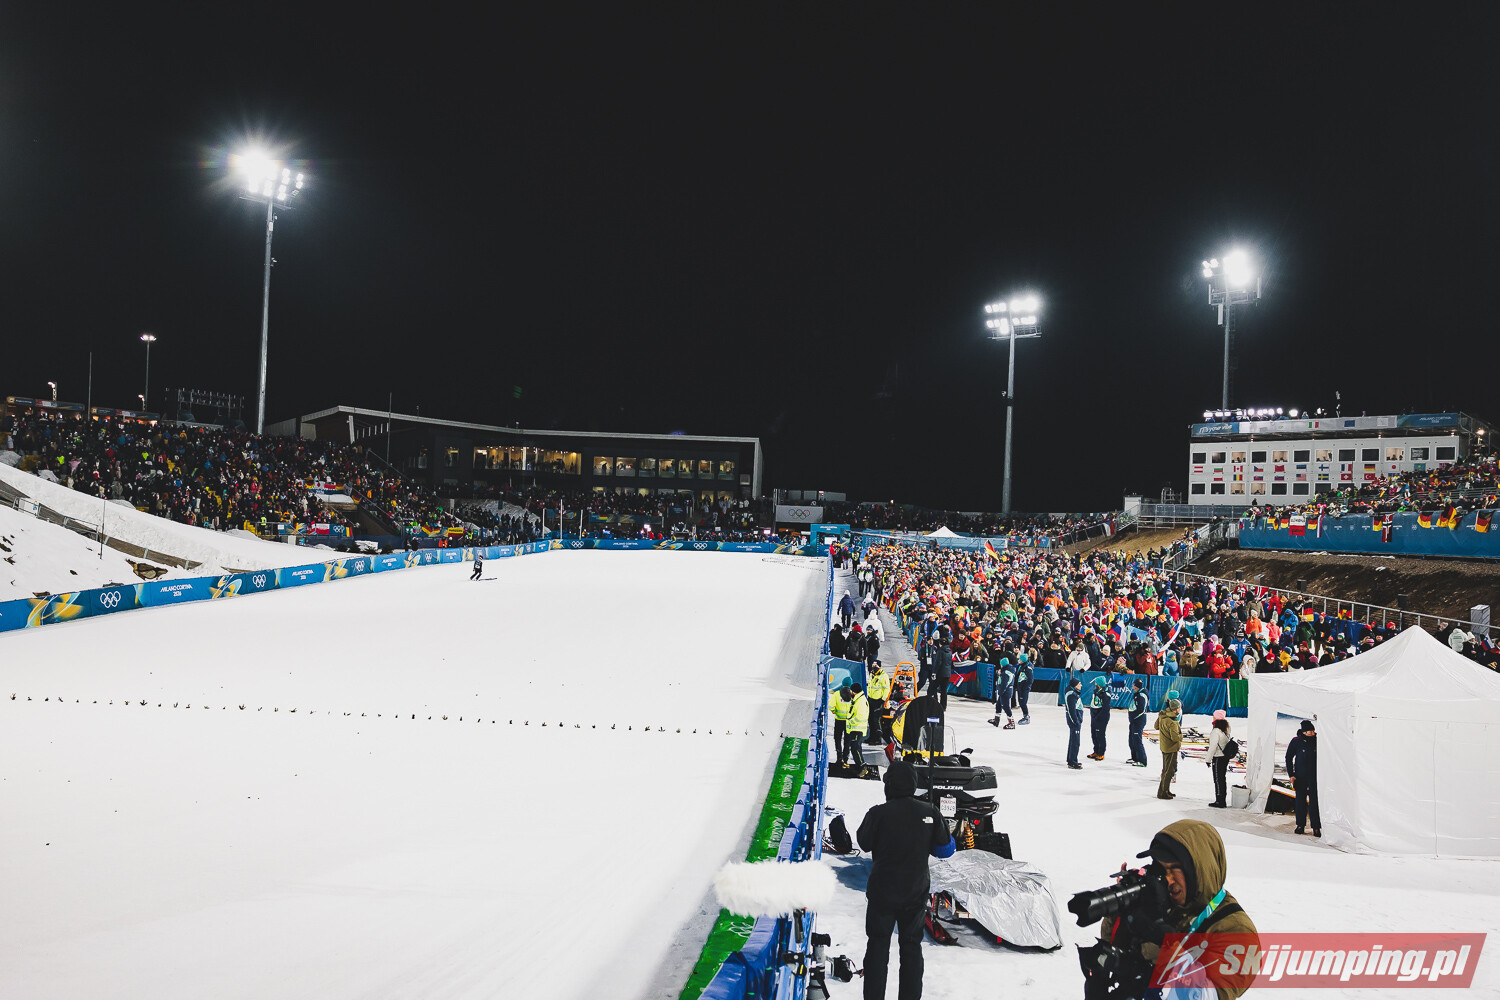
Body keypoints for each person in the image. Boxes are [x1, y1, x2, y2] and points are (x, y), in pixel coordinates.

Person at [1099, 820, 1259, 999]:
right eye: (1162, 869)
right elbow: (1116, 952)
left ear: (1199, 871)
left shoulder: (1238, 931)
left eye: (1175, 869)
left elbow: (1202, 996)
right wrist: (1123, 908)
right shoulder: (1165, 904)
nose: (1168, 879)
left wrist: (1162, 936)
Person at [856, 760, 955, 1000]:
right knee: (911, 948)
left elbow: (863, 842)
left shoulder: (878, 813)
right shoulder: (930, 812)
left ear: (889, 785)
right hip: (914, 893)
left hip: (882, 893)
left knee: (877, 947)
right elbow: (946, 850)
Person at [1285, 719, 1321, 836]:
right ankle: (1300, 825)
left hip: (1314, 776)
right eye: (1310, 731)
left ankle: (1316, 826)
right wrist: (1291, 775)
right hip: (1300, 776)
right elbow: (1288, 757)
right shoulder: (1296, 741)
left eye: (1313, 730)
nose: (1312, 733)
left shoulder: (1318, 740)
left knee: (1315, 801)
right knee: (1300, 801)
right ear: (1304, 732)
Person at [1155, 693, 1181, 799]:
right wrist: (1181, 736)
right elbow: (1175, 738)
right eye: (1179, 708)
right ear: (1175, 709)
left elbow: (1156, 726)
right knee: (1169, 771)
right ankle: (1163, 792)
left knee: (1165, 770)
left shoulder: (1163, 716)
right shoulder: (1172, 722)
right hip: (1171, 748)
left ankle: (1164, 790)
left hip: (1164, 746)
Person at [839, 683, 870, 768]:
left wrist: (850, 722)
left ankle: (862, 767)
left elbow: (860, 717)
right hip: (854, 729)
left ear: (854, 692)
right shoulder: (857, 699)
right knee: (855, 748)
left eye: (851, 691)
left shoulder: (861, 702)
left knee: (855, 749)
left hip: (858, 729)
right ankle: (860, 766)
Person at [1207, 717, 1233, 808]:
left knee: (1218, 779)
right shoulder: (1225, 730)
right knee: (1222, 779)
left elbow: (1213, 746)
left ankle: (1220, 801)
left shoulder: (1216, 732)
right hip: (1224, 757)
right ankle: (1222, 799)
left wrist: (1208, 759)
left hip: (1218, 757)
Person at [865, 662, 893, 744]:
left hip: (879, 701)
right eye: (873, 665)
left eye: (876, 666)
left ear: (879, 667)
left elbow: (886, 689)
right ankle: (871, 737)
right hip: (871, 699)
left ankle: (877, 739)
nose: (874, 667)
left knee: (876, 720)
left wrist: (882, 700)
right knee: (870, 719)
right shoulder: (872, 674)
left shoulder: (884, 676)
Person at [831, 680, 857, 764]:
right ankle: (846, 758)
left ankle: (839, 757)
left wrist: (835, 711)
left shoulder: (837, 694)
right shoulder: (854, 695)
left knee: (837, 738)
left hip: (839, 720)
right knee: (847, 740)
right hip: (849, 721)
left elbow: (831, 706)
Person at [988, 654, 1016, 730]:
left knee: (1006, 707)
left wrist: (1000, 692)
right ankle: (996, 720)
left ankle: (1011, 723)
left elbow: (1004, 684)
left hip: (1005, 692)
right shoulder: (1007, 671)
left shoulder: (1005, 673)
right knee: (998, 705)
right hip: (1005, 691)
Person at [1087, 674, 1111, 760]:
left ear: (1099, 684)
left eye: (1096, 683)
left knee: (1100, 735)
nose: (1095, 684)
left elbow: (1105, 709)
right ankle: (1096, 751)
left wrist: (1098, 717)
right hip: (1094, 715)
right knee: (1094, 734)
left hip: (1101, 717)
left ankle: (1101, 753)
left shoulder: (1105, 695)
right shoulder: (1097, 691)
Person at [1127, 678, 1149, 766]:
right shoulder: (1138, 693)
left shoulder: (1141, 695)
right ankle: (1135, 758)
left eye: (1133, 685)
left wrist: (1134, 717)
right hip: (1134, 720)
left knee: (1137, 741)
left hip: (1138, 720)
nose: (1132, 686)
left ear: (1136, 686)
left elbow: (1141, 709)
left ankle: (1142, 761)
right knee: (1131, 740)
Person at [1064, 676, 1084, 769]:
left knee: (1073, 740)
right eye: (1079, 684)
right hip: (1074, 721)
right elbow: (1071, 710)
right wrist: (1076, 721)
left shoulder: (1072, 692)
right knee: (1075, 742)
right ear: (1075, 685)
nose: (1081, 685)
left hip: (1075, 720)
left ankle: (1071, 759)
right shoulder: (1071, 695)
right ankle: (1072, 762)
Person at [1014, 652, 1034, 725]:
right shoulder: (1020, 666)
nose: (1019, 660)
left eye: (1020, 659)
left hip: (1024, 688)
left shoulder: (1028, 668)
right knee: (1021, 702)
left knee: (1023, 703)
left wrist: (1025, 687)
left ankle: (1026, 716)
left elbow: (1030, 679)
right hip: (1020, 687)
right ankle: (1025, 716)